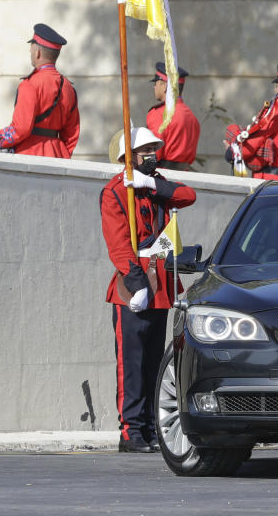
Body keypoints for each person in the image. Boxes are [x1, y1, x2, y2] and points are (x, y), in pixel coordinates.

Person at [100, 127, 197, 453]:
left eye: (153, 149)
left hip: (161, 281)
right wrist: (137, 283)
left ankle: (153, 428)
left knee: (156, 362)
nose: (151, 155)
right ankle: (131, 431)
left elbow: (188, 195)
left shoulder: (154, 184)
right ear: (127, 156)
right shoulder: (114, 191)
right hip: (135, 284)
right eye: (144, 151)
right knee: (132, 363)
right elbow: (118, 245)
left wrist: (151, 184)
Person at [0, 23, 79, 158]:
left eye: (31, 48)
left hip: (29, 156)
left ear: (37, 52)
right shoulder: (69, 88)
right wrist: (62, 155)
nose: (30, 52)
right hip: (59, 157)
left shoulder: (29, 85)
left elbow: (20, 128)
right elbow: (71, 134)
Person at [146, 62, 200, 171]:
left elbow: (153, 155)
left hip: (162, 180)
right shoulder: (191, 116)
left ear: (164, 85)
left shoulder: (159, 114)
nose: (154, 87)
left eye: (156, 82)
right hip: (185, 178)